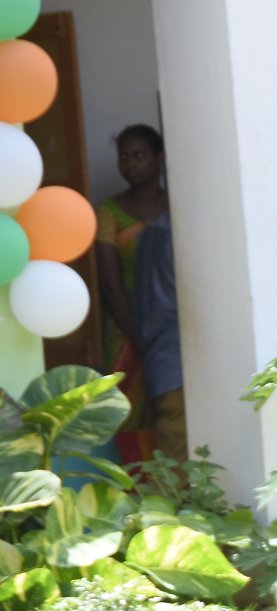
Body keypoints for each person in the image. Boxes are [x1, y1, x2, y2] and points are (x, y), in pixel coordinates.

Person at [93, 124, 169, 461]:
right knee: (130, 412)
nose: (129, 164)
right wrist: (140, 337)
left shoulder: (178, 206)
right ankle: (138, 495)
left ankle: (177, 491)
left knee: (174, 409)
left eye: (139, 155)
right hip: (126, 332)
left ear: (159, 159)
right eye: (124, 156)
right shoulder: (108, 213)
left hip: (171, 328)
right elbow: (109, 286)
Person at [128, 212, 184, 461]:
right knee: (176, 464)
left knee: (175, 459)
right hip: (178, 360)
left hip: (161, 357)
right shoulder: (179, 234)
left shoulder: (152, 231)